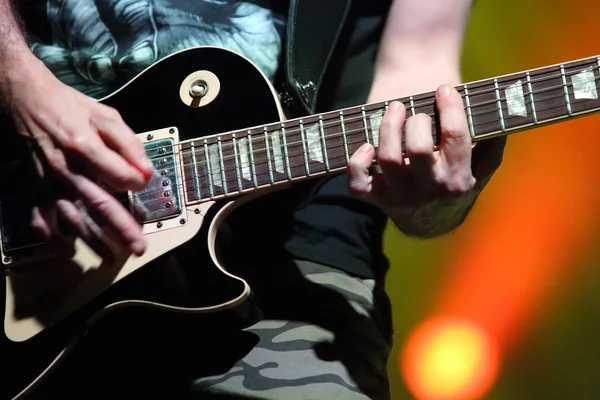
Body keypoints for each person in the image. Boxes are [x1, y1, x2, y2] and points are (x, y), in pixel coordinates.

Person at [0, 0, 506, 399]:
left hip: (295, 265)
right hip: (29, 204)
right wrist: (20, 84)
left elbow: (417, 65)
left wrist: (431, 202)